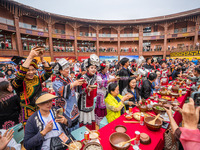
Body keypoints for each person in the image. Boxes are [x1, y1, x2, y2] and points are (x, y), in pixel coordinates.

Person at [11, 47, 53, 126]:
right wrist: (30, 57)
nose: (31, 72)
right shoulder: (18, 82)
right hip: (28, 113)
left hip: (41, 109)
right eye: (28, 70)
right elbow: (20, 76)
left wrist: (42, 59)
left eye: (33, 69)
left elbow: (49, 72)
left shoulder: (37, 78)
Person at [53, 58, 84, 132]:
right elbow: (62, 91)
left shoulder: (69, 78)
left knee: (76, 131)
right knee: (67, 130)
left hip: (73, 108)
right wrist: (73, 84)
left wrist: (79, 84)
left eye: (68, 68)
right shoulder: (56, 82)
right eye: (65, 69)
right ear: (60, 71)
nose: (68, 70)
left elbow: (74, 89)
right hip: (65, 109)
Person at [78, 54, 99, 130]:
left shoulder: (95, 77)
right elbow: (79, 91)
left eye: (95, 68)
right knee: (85, 119)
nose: (94, 69)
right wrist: (86, 89)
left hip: (91, 101)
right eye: (92, 67)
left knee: (91, 117)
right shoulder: (82, 78)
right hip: (83, 103)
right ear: (87, 68)